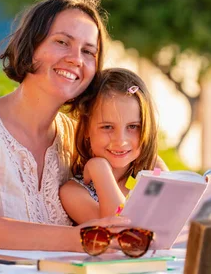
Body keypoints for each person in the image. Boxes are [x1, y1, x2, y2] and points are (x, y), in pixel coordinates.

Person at [0, 0, 130, 251]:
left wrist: (151, 167)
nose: (76, 58)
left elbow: (120, 207)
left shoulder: (73, 136)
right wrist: (80, 239)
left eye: (88, 51)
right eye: (62, 42)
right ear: (31, 45)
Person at [59, 68, 160, 224]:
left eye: (133, 126)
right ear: (86, 128)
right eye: (107, 127)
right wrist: (101, 171)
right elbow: (119, 230)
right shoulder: (73, 193)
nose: (120, 141)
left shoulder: (153, 172)